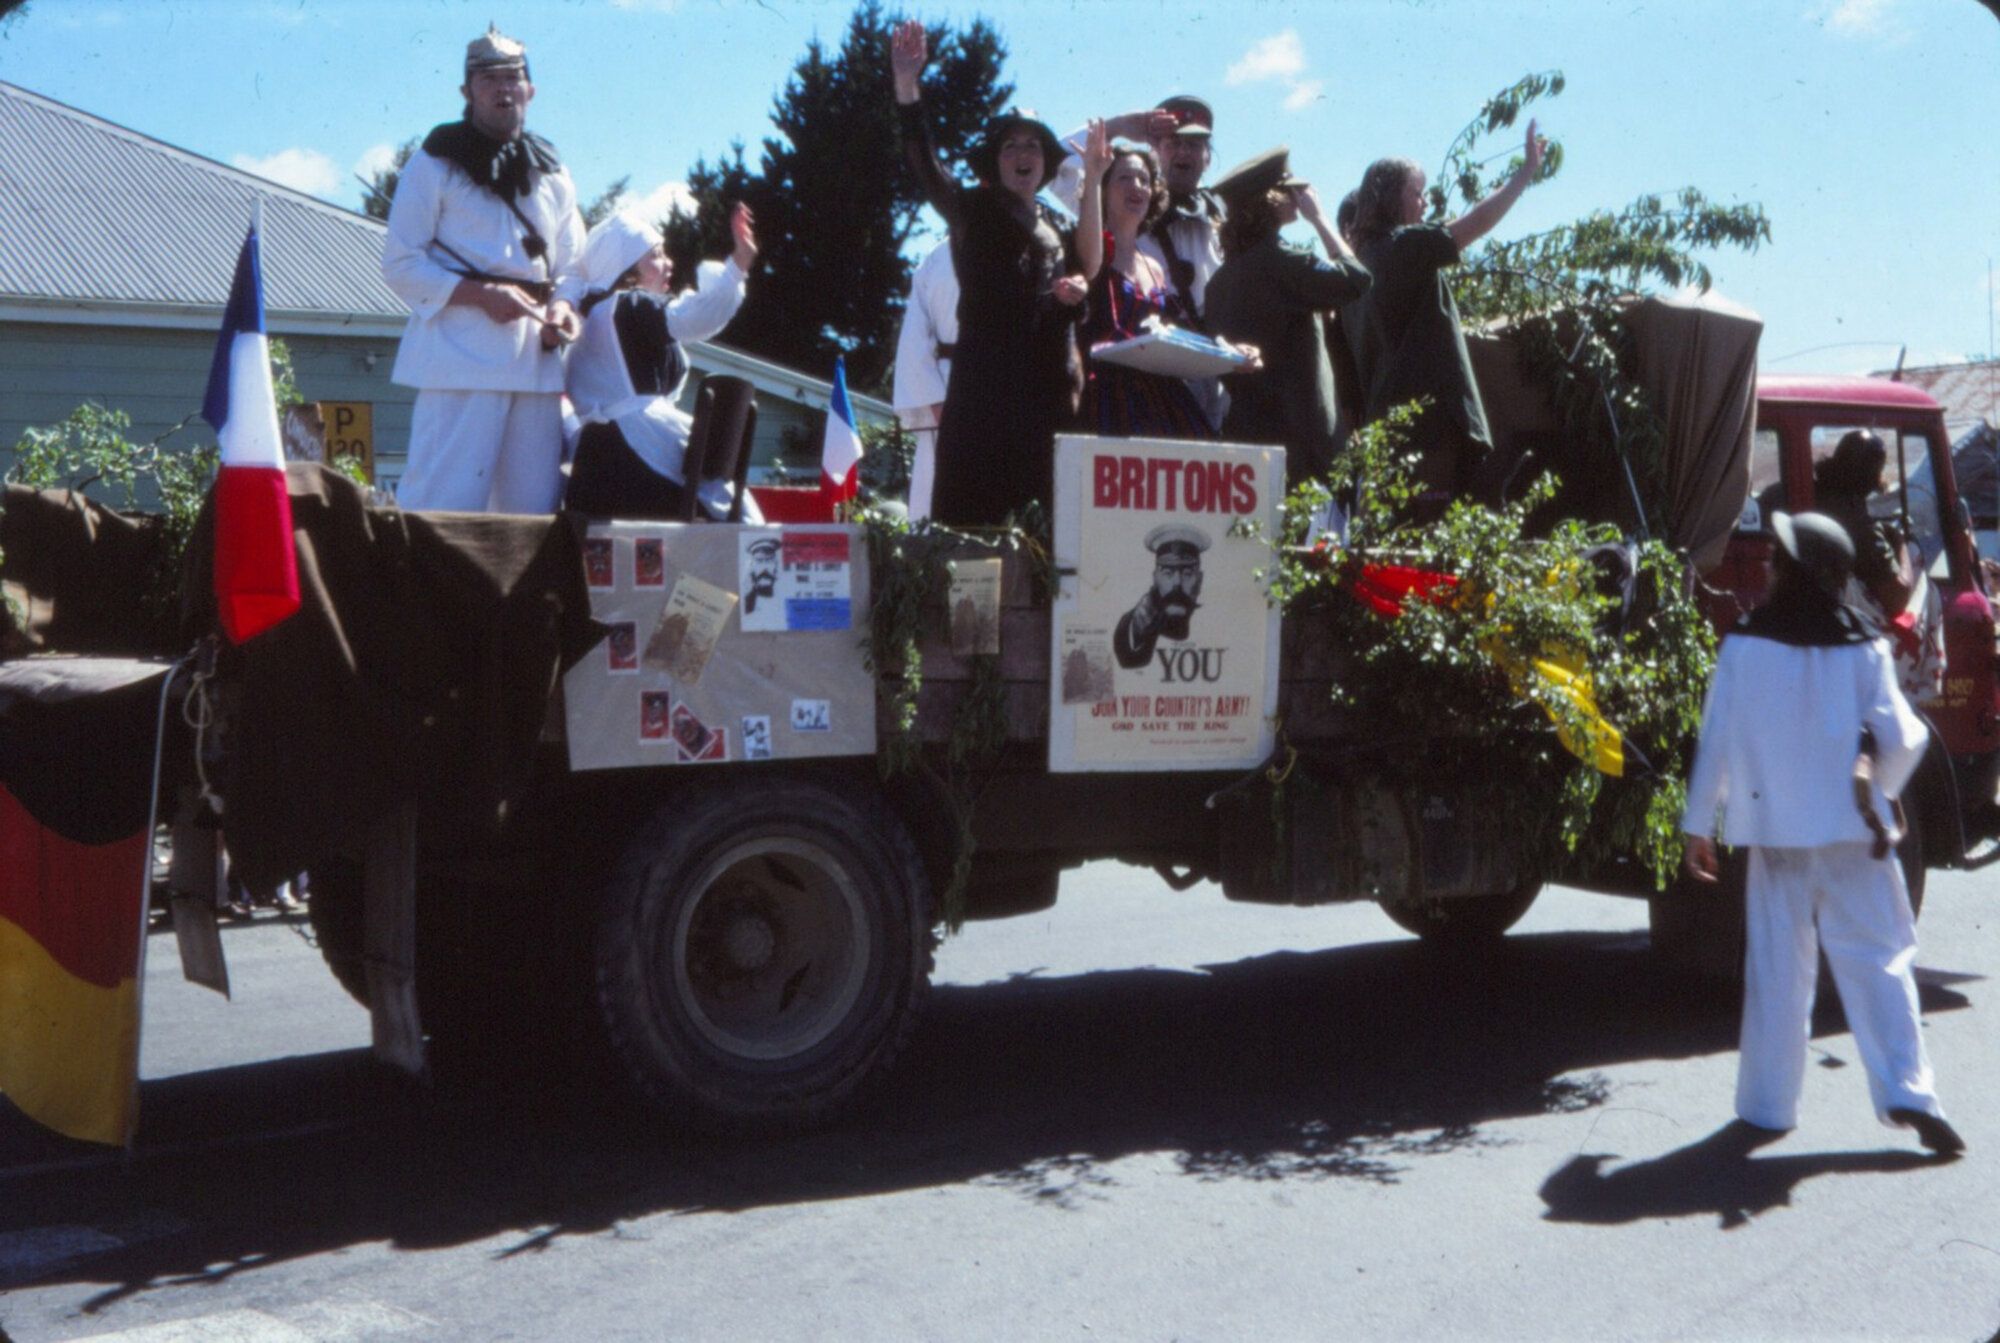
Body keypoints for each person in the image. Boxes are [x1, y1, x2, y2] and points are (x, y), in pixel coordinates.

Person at [1681, 511, 1962, 1155]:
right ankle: (1909, 1095)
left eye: (1778, 558)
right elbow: (1903, 737)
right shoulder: (1865, 647)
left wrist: (1701, 826)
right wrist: (1878, 793)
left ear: (1795, 572)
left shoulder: (1745, 645)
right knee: (1882, 963)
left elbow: (1717, 737)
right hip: (1855, 836)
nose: (1770, 568)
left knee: (1779, 971)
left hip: (1778, 839)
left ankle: (1768, 1106)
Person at [381, 25, 586, 513]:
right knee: (443, 509)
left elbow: (574, 265)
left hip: (535, 366)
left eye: (513, 77)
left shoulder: (554, 172)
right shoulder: (434, 163)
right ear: (466, 91)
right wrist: (480, 296)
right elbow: (401, 263)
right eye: (488, 78)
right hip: (459, 361)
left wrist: (562, 308)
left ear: (530, 90)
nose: (503, 88)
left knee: (530, 516)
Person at [892, 20, 1088, 527]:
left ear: (1045, 165)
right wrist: (908, 87)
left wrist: (1074, 296)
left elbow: (1074, 291)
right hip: (981, 398)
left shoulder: (1055, 225)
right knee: (970, 537)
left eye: (1033, 147)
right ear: (995, 162)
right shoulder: (971, 209)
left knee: (1041, 536)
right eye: (1010, 146)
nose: (1023, 155)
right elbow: (926, 165)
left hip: (1040, 402)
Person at [1341, 121, 1546, 517]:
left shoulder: (1354, 269)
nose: (1423, 204)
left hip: (1386, 433)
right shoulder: (1404, 247)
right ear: (1390, 199)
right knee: (1435, 550)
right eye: (1416, 193)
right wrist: (1524, 174)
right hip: (1429, 431)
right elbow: (1476, 223)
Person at [563, 204, 761, 521]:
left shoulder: (596, 316)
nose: (668, 263)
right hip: (633, 457)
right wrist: (736, 266)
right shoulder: (629, 305)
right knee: (735, 521)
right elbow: (694, 317)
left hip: (601, 460)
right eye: (655, 255)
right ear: (627, 270)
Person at [1203, 148, 1371, 490]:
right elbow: (1357, 278)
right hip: (1304, 450)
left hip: (1248, 447)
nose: (1299, 197)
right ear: (1270, 200)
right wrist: (1320, 218)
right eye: (1290, 191)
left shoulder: (1219, 282)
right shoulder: (1280, 261)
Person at [1073, 123, 1217, 440]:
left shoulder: (1153, 265)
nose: (1137, 187)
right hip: (1104, 402)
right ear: (1104, 190)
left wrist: (1229, 351)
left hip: (1159, 399)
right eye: (1124, 178)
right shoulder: (1092, 248)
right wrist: (1093, 174)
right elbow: (1089, 263)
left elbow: (1181, 330)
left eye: (1145, 180)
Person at [891, 237, 958, 521]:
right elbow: (915, 338)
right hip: (948, 384)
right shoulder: (939, 256)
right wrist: (934, 400)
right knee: (937, 487)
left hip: (1003, 386)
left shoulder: (1021, 245)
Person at [1813, 430, 1914, 617]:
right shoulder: (1860, 526)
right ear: (1870, 478)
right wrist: (1901, 543)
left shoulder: (1814, 493)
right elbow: (1897, 596)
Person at [1113, 523, 1208, 669]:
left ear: (1199, 580)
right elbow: (1129, 660)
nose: (1177, 583)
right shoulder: (1144, 617)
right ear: (1156, 578)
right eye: (1168, 573)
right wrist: (1136, 626)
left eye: (1187, 574)